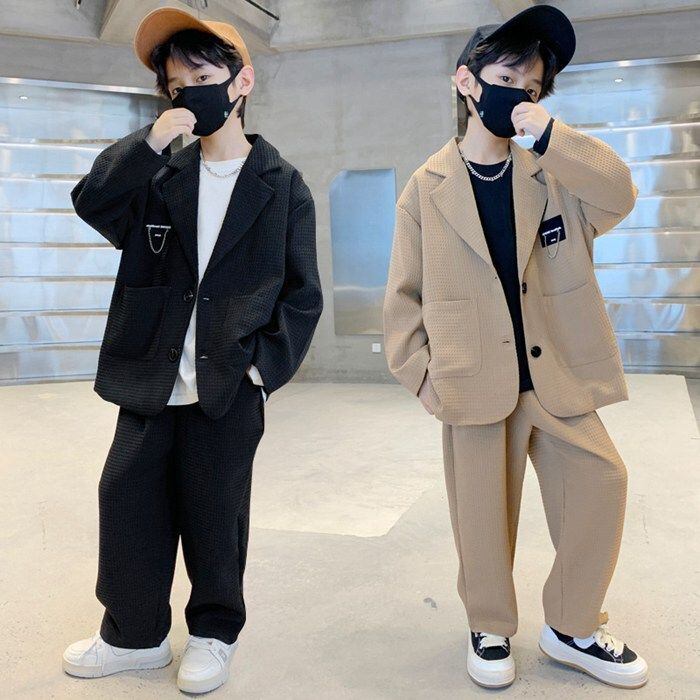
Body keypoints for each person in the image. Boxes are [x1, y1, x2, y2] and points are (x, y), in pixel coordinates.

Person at [383, 4, 647, 691]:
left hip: (556, 375)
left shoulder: (554, 174)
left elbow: (620, 193)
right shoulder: (426, 188)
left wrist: (550, 133)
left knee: (602, 484)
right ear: (466, 82)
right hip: (471, 379)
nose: (518, 96)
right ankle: (490, 625)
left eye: (531, 88)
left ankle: (572, 626)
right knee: (482, 518)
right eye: (505, 80)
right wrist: (424, 379)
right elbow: (403, 297)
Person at [62, 6, 322, 694]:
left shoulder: (281, 184)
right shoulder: (159, 175)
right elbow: (92, 201)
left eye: (204, 80)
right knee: (127, 503)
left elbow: (302, 294)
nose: (189, 95)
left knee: (216, 515)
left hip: (228, 387)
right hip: (150, 379)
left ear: (242, 83)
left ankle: (213, 634)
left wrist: (262, 371)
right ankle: (134, 636)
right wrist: (150, 141)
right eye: (177, 87)